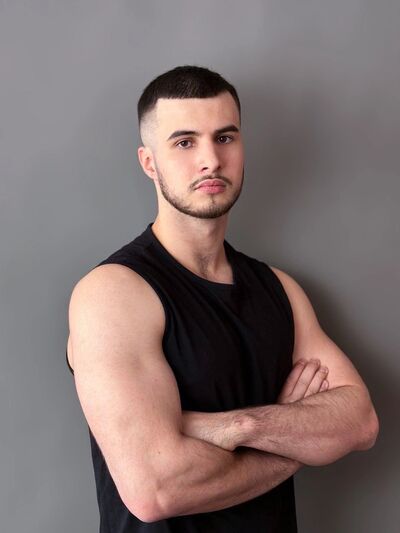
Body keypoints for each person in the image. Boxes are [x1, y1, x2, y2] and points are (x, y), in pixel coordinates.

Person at [66, 65, 379, 532]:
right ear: (149, 162)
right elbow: (157, 490)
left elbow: (360, 422)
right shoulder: (114, 293)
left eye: (225, 138)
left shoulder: (279, 289)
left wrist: (236, 428)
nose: (210, 160)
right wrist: (293, 440)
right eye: (184, 142)